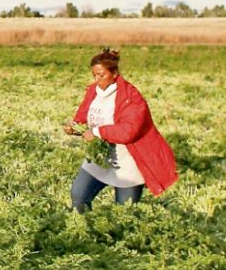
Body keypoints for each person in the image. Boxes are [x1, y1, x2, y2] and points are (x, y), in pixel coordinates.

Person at [64, 47, 177, 211]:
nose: (97, 79)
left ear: (115, 73)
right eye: (94, 75)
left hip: (127, 162)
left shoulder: (131, 97)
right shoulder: (93, 91)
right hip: (100, 157)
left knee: (125, 213)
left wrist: (96, 132)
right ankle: (87, 232)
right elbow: (85, 110)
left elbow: (128, 131)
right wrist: (74, 124)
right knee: (79, 196)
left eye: (101, 75)